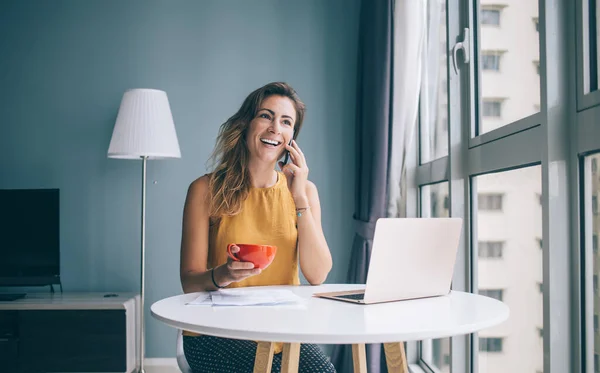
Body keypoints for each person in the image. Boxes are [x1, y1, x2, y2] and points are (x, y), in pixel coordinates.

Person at [179, 82, 336, 373]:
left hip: (283, 330)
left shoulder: (305, 193)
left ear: (291, 139)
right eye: (266, 116)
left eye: (286, 122)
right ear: (246, 124)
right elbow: (189, 282)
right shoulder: (205, 189)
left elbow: (317, 275)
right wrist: (223, 274)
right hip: (215, 331)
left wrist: (299, 197)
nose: (276, 127)